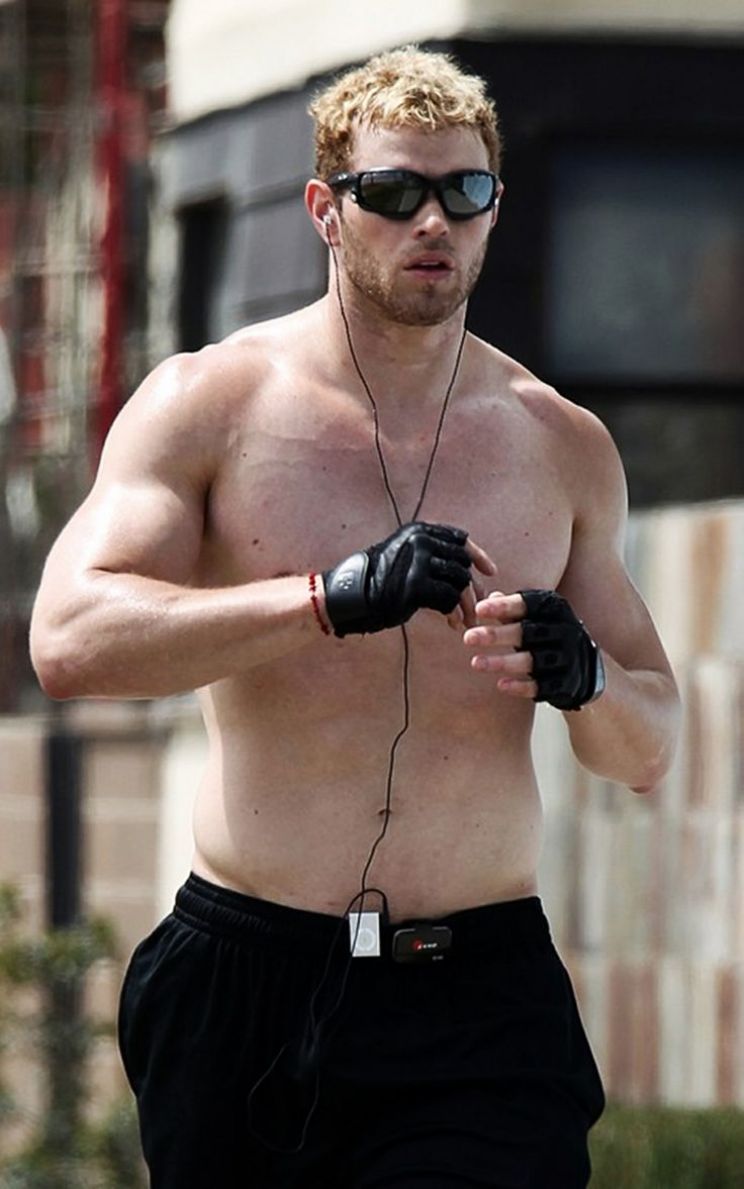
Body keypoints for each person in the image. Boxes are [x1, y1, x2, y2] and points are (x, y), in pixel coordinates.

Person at [30, 45, 679, 1189]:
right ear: (326, 210)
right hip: (251, 979)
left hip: (479, 996)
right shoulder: (211, 404)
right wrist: (326, 598)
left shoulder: (560, 443)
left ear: (495, 208)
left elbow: (651, 744)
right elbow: (70, 640)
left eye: (463, 191)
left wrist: (583, 677)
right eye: (393, 191)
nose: (433, 220)